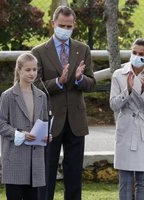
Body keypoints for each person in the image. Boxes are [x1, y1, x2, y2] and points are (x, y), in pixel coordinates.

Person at [31, 5, 96, 200]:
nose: (65, 29)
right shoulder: (39, 51)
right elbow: (35, 86)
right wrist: (58, 82)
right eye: (62, 25)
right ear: (53, 24)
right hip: (50, 121)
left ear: (74, 25)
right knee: (47, 173)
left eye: (69, 26)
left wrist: (78, 79)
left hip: (76, 121)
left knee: (74, 173)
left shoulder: (83, 49)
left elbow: (91, 83)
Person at [0, 53, 52, 200]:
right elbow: (0, 125)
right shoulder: (7, 96)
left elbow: (44, 122)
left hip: (35, 162)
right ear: (19, 70)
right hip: (14, 159)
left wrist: (47, 135)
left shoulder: (42, 96)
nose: (32, 73)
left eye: (34, 69)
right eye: (28, 70)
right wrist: (20, 134)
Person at [110, 38, 144, 200]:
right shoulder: (119, 74)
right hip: (125, 130)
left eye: (141, 54)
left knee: (142, 181)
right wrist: (128, 90)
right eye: (134, 52)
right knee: (125, 180)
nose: (137, 56)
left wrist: (142, 91)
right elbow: (114, 105)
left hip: (142, 131)